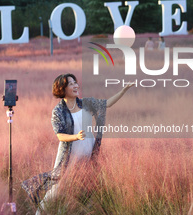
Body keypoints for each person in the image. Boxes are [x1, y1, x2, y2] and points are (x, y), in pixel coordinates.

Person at [21, 73, 133, 214]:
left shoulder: (85, 103)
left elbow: (107, 103)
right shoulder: (58, 111)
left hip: (88, 153)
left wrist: (123, 90)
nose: (76, 86)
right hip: (69, 156)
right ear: (63, 89)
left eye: (76, 82)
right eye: (71, 84)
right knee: (57, 189)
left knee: (87, 187)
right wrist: (75, 136)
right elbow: (60, 136)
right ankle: (40, 213)